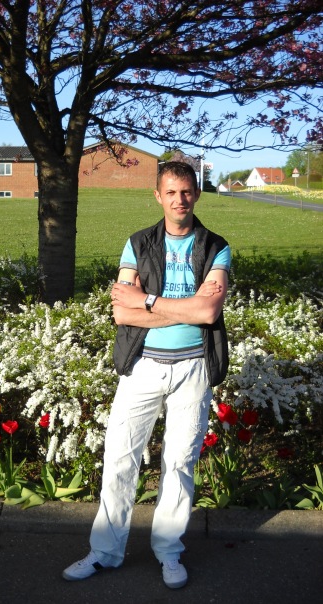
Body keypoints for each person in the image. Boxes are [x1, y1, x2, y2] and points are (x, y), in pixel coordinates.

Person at [62, 161, 231, 589]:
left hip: (193, 368)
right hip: (142, 367)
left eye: (186, 191)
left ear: (197, 193)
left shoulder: (216, 246)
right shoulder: (138, 244)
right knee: (120, 457)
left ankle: (169, 552)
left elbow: (207, 311)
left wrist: (149, 301)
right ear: (158, 196)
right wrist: (184, 308)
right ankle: (105, 552)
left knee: (179, 462)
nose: (179, 199)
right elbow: (123, 312)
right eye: (171, 192)